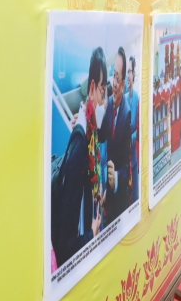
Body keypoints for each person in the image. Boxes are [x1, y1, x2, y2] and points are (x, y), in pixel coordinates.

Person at [51, 48, 107, 266]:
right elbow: (65, 247)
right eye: (102, 91)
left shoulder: (88, 134)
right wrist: (90, 236)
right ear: (92, 88)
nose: (105, 101)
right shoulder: (80, 147)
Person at [99, 48, 134, 224]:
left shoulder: (127, 113)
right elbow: (102, 135)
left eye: (118, 78)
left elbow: (127, 164)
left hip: (120, 198)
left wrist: (116, 180)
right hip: (108, 193)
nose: (114, 82)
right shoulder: (110, 105)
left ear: (124, 84)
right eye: (113, 75)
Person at [126, 56, 140, 203]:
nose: (127, 76)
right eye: (125, 72)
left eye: (129, 72)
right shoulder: (120, 101)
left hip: (133, 160)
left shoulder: (137, 99)